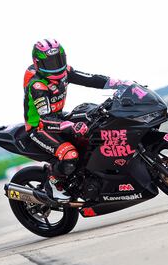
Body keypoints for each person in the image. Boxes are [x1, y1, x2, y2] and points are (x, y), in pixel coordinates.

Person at [24, 38, 135, 202]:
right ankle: (53, 185)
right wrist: (69, 126)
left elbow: (90, 79)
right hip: (40, 127)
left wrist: (119, 83)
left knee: (96, 125)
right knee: (70, 155)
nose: (55, 65)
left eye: (58, 60)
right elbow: (45, 119)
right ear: (38, 63)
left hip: (58, 117)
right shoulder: (38, 86)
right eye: (49, 63)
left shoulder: (65, 72)